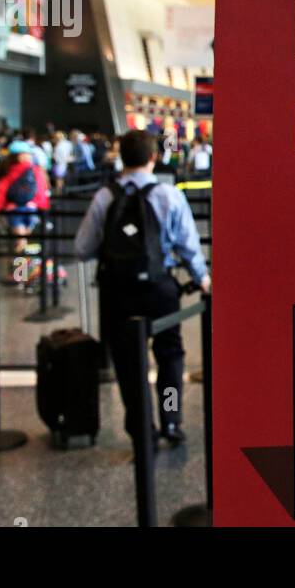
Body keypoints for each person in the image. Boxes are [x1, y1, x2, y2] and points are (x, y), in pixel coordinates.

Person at [74, 130, 210, 446]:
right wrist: (202, 279)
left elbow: (82, 248)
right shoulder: (169, 195)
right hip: (160, 289)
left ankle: (142, 430)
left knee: (128, 364)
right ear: (153, 157)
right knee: (170, 357)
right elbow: (188, 246)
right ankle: (172, 419)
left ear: (121, 158)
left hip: (117, 291)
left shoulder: (105, 197)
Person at [0, 141, 51, 253]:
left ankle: (19, 267)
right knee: (24, 240)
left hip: (14, 210)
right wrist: (42, 206)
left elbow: (1, 193)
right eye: (28, 154)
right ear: (20, 156)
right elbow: (41, 190)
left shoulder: (6, 171)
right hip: (32, 209)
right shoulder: (36, 170)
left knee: (20, 241)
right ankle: (23, 267)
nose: (30, 156)